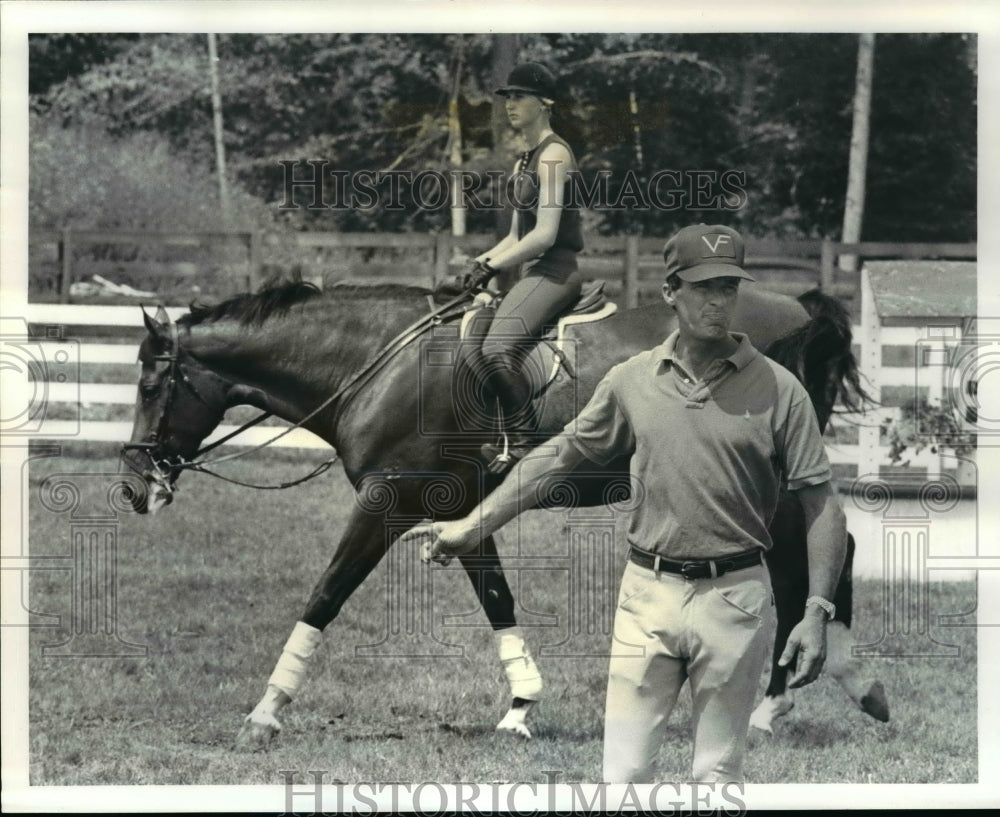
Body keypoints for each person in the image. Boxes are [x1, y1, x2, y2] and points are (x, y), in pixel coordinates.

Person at [402, 223, 848, 783]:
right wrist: (472, 525)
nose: (718, 301)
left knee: (716, 776)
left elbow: (821, 504)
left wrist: (817, 611)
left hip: (736, 599)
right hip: (647, 597)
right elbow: (557, 456)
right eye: (703, 287)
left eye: (728, 288)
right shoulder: (630, 380)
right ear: (670, 292)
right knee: (623, 776)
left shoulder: (783, 391)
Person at [465, 62, 585, 473]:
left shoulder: (554, 155)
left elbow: (545, 235)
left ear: (545, 103)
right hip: (533, 271)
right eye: (507, 97)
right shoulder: (523, 162)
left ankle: (522, 441)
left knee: (496, 347)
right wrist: (480, 262)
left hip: (556, 271)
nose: (510, 104)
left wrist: (494, 266)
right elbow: (517, 236)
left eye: (519, 96)